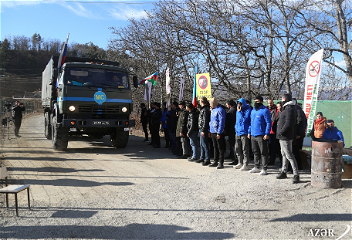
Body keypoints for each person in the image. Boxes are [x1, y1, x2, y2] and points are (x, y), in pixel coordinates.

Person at [276, 93, 300, 184]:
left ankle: (296, 174)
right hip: (283, 136)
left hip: (285, 136)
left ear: (284, 99)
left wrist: (281, 132)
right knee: (284, 154)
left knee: (289, 155)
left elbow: (288, 123)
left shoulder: (289, 109)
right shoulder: (287, 108)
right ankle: (284, 171)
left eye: (282, 99)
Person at [248, 95, 271, 175]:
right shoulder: (253, 110)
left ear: (261, 102)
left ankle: (264, 168)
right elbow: (251, 122)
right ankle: (256, 166)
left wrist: (266, 133)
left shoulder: (265, 110)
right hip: (253, 134)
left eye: (257, 101)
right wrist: (249, 132)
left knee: (263, 152)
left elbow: (268, 122)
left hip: (261, 134)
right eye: (255, 101)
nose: (256, 103)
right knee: (255, 151)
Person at [233, 98, 252, 171]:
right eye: (238, 103)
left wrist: (240, 112)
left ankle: (245, 164)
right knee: (237, 148)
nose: (239, 105)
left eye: (240, 103)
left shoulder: (248, 110)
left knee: (245, 149)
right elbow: (237, 120)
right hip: (238, 131)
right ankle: (239, 162)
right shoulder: (237, 111)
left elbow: (244, 120)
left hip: (244, 131)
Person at [208, 98, 226, 169]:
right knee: (215, 147)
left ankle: (221, 162)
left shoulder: (220, 110)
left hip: (218, 132)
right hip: (212, 131)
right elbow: (211, 121)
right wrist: (210, 130)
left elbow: (221, 122)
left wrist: (219, 132)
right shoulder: (213, 110)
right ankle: (215, 161)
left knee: (220, 147)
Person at [292, 99, 307, 170]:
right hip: (298, 134)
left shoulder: (298, 111)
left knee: (296, 151)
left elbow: (300, 123)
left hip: (298, 135)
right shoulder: (298, 111)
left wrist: (297, 134)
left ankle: (299, 166)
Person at [198, 97, 211, 165]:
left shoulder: (205, 109)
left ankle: (207, 159)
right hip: (201, 129)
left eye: (200, 101)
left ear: (202, 101)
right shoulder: (202, 109)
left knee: (205, 144)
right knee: (201, 144)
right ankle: (202, 157)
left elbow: (205, 121)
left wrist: (203, 130)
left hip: (204, 129)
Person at [225, 100, 237, 165]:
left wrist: (225, 130)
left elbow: (228, 122)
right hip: (235, 129)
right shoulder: (236, 110)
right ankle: (232, 155)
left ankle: (235, 158)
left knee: (233, 145)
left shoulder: (231, 111)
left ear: (230, 105)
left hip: (231, 130)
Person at [267, 99, 277, 165]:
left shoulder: (276, 110)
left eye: (271, 103)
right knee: (269, 146)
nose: (270, 104)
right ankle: (270, 158)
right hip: (268, 130)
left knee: (273, 146)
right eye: (269, 103)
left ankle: (272, 159)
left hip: (274, 130)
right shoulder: (266, 109)